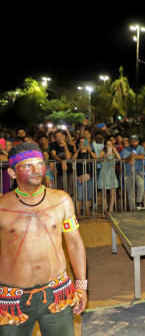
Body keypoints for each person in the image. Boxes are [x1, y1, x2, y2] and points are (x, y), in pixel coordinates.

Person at [0, 143, 87, 335]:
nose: (36, 170)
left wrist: (81, 286)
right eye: (27, 166)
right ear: (13, 173)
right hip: (12, 300)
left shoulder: (62, 200)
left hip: (57, 293)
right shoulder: (2, 207)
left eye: (40, 164)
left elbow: (74, 243)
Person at [72, 137, 97, 219]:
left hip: (89, 176)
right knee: (79, 196)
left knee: (88, 196)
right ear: (78, 144)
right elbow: (72, 159)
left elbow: (96, 158)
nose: (82, 144)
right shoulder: (77, 152)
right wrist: (78, 150)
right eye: (81, 142)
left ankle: (87, 213)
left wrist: (89, 150)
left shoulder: (90, 152)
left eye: (84, 142)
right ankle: (78, 214)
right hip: (79, 177)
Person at [120, 135, 145, 210]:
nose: (133, 142)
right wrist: (130, 156)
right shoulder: (125, 149)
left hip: (138, 171)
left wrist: (134, 157)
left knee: (141, 184)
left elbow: (143, 156)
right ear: (129, 141)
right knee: (130, 191)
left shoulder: (140, 148)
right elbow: (124, 160)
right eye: (132, 141)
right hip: (128, 172)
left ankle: (138, 202)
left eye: (135, 140)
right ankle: (132, 208)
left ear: (138, 141)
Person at [98, 139, 121, 214]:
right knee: (104, 192)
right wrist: (105, 156)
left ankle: (111, 209)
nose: (109, 146)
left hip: (111, 172)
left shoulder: (114, 152)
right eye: (107, 144)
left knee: (112, 192)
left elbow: (119, 159)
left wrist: (114, 150)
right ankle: (104, 209)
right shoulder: (102, 152)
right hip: (104, 172)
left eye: (110, 144)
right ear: (105, 145)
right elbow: (99, 160)